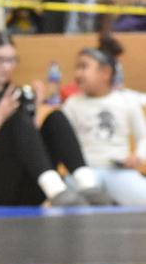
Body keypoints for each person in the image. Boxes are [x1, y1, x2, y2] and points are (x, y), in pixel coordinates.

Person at [0, 31, 110, 207]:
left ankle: (88, 184)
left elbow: (27, 144)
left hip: (28, 185)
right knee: (16, 119)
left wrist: (36, 107)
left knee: (55, 117)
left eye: (11, 60)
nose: (6, 67)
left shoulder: (17, 94)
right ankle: (54, 188)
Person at [60, 35, 146, 206]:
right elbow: (64, 142)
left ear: (105, 72)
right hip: (84, 172)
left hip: (120, 171)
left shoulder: (127, 101)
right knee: (71, 204)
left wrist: (138, 156)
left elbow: (143, 137)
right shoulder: (72, 104)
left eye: (84, 67)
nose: (77, 74)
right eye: (76, 67)